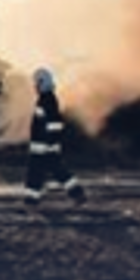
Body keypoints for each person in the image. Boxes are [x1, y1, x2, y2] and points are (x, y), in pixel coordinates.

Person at [26, 68, 86, 206]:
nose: (34, 86)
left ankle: (31, 201)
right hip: (45, 145)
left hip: (44, 146)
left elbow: (54, 124)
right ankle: (77, 194)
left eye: (36, 83)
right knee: (55, 171)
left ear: (42, 83)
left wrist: (49, 143)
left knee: (38, 172)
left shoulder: (47, 99)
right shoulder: (46, 98)